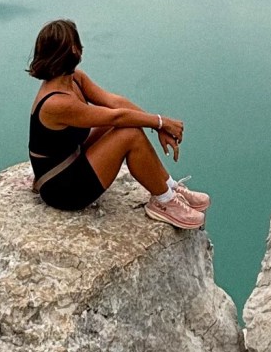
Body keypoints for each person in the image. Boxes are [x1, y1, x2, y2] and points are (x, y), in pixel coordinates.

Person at [27, 18, 210, 230]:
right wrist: (161, 121)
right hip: (62, 188)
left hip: (71, 161)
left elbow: (115, 103)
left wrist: (158, 126)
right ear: (74, 50)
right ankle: (164, 202)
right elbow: (116, 117)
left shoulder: (74, 78)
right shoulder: (56, 102)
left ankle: (168, 187)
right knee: (129, 135)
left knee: (128, 124)